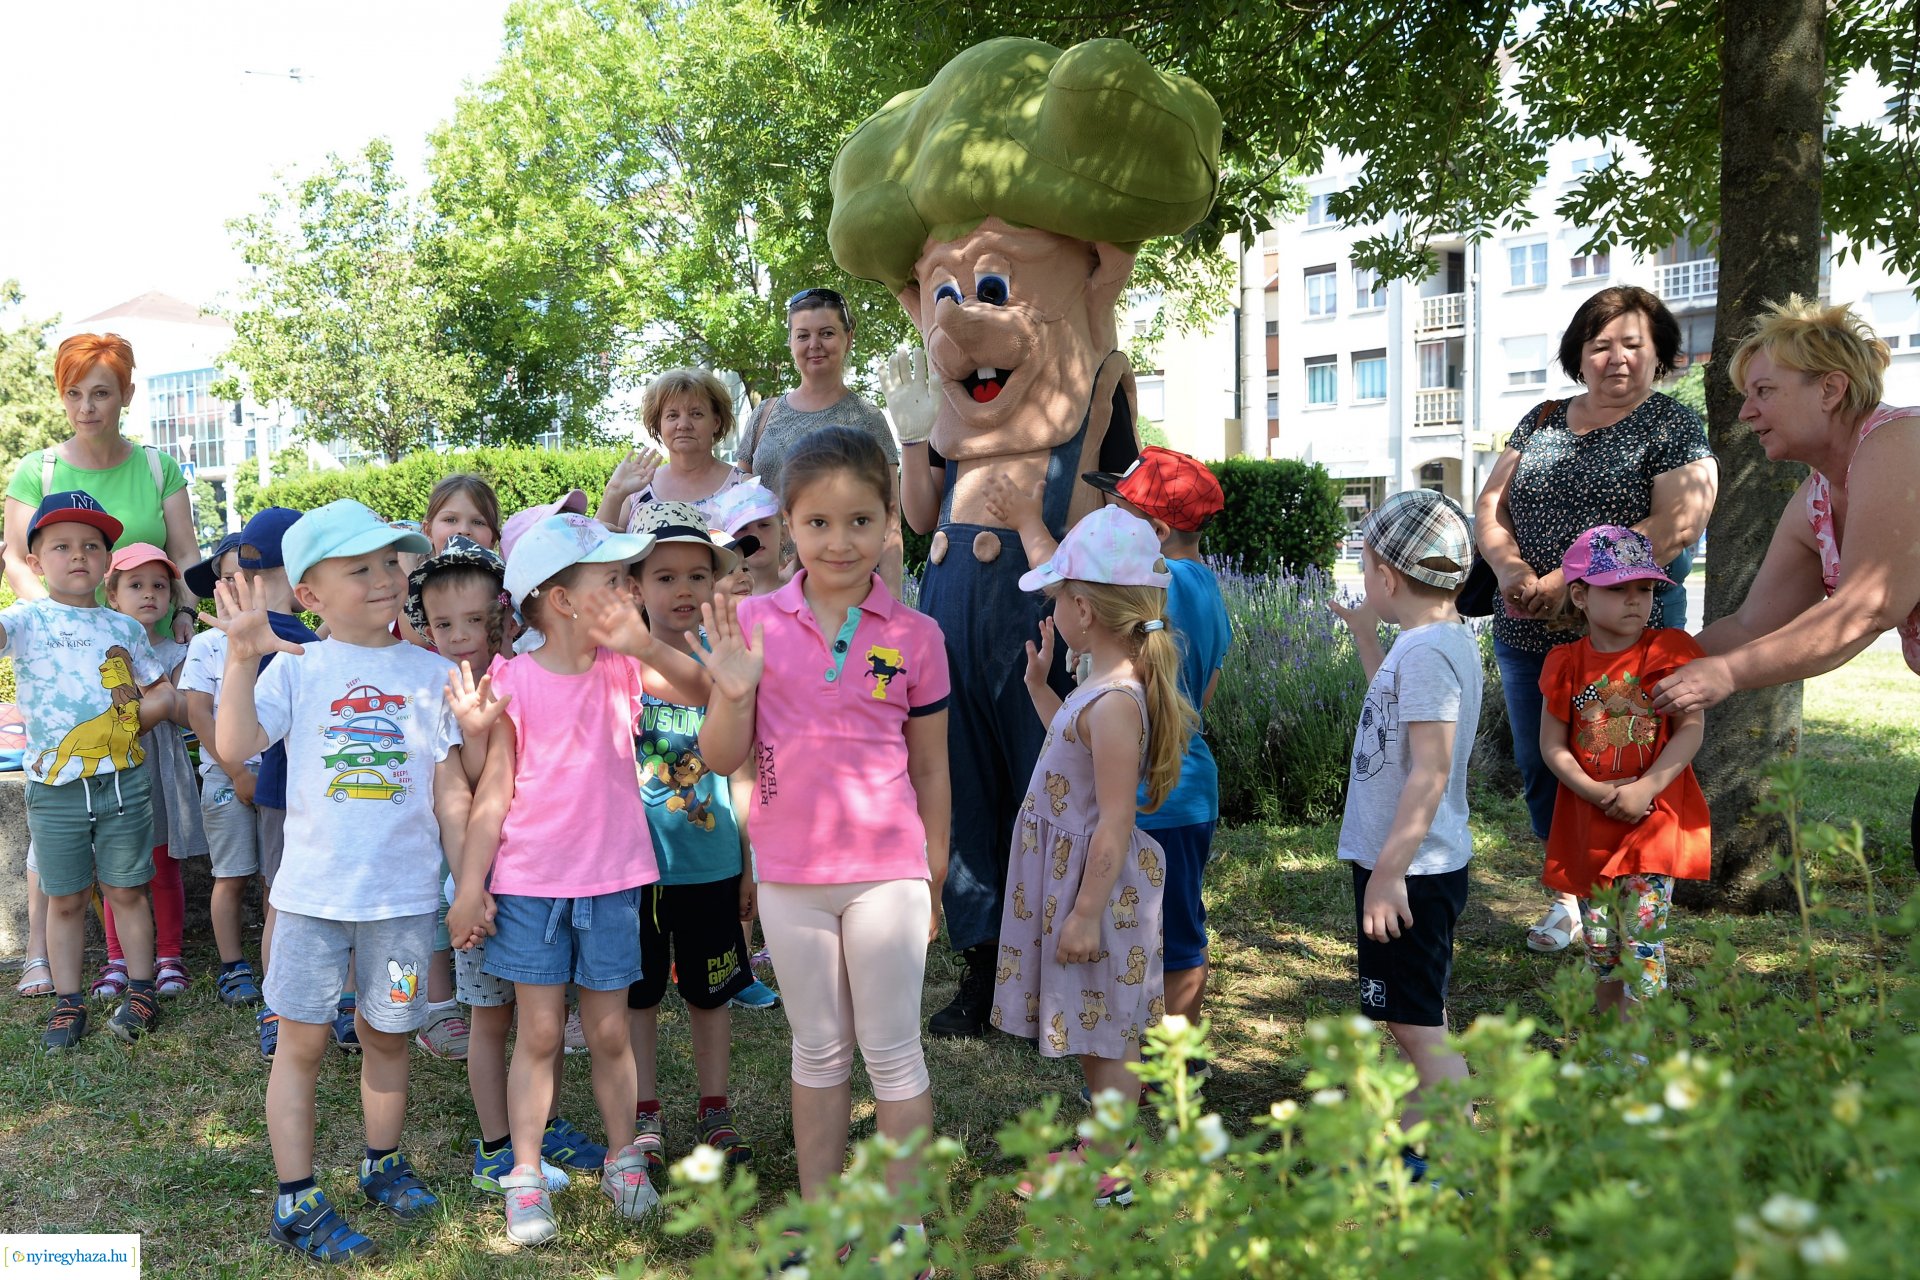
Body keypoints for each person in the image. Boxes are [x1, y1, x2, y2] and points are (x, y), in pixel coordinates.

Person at [699, 426, 949, 1261]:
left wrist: (934, 875)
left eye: (859, 521)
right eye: (817, 524)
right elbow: (722, 756)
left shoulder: (917, 637)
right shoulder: (754, 623)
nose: (839, 542)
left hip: (888, 875)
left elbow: (932, 772)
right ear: (788, 526)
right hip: (792, 877)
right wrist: (732, 696)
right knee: (817, 1048)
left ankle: (905, 1229)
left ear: (889, 524)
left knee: (891, 1050)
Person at [207, 500, 462, 1263]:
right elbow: (235, 742)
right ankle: (297, 1197)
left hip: (406, 899)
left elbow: (451, 790)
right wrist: (241, 656)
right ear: (310, 592)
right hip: (313, 900)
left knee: (390, 1037)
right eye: (361, 568)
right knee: (303, 1045)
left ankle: (382, 1162)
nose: (386, 578)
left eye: (392, 562)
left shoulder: (434, 673)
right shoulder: (299, 666)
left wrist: (467, 878)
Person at [447, 511, 707, 1246]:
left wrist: (642, 639)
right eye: (613, 582)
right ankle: (524, 1176)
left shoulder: (625, 666)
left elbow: (701, 690)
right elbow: (491, 792)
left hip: (613, 881)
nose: (629, 590)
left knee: (609, 1031)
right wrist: (471, 885)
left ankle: (626, 1160)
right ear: (561, 600)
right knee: (536, 1033)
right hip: (531, 886)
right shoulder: (512, 682)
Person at [1473, 286, 1718, 953]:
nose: (1616, 358)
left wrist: (1565, 581)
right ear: (1578, 353)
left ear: (1660, 354)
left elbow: (1679, 521)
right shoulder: (1543, 416)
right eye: (1601, 344)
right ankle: (1569, 899)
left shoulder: (1671, 425)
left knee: (1621, 758)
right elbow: (1490, 505)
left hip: (1629, 639)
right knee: (1542, 763)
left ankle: (1632, 897)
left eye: (1633, 344)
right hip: (1528, 627)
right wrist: (1514, 574)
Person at [1649, 298, 1920, 874]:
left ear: (1830, 389)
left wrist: (1722, 675)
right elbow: (1751, 625)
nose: (1746, 412)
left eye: (1764, 391)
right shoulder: (1816, 497)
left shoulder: (1900, 444)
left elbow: (1867, 609)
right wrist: (1636, 673)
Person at [987, 507, 1197, 1208]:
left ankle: (1115, 1164)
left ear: (1082, 608)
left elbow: (1111, 822)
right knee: (1089, 1016)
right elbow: (1070, 759)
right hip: (1078, 886)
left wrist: (1083, 914)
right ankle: (1107, 1144)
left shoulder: (1115, 702)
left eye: (1056, 598)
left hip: (1096, 891)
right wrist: (1041, 689)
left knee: (1107, 1028)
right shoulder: (1098, 692)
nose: (1052, 609)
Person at [989, 448, 1231, 1038]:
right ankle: (1158, 1057)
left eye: (1118, 513)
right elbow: (1203, 693)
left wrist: (1027, 524)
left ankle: (1171, 1065)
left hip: (1151, 805)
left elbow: (1080, 586)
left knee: (1170, 940)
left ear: (1154, 534)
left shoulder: (1155, 588)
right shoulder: (1208, 593)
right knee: (1173, 932)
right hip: (1181, 785)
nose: (1105, 516)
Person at [4, 333, 199, 998]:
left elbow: (185, 556)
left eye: (101, 392)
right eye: (73, 392)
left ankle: (148, 959)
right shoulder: (39, 471)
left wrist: (183, 617)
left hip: (135, 646)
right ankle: (47, 962)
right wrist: (65, 626)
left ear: (126, 396)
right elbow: (18, 560)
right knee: (58, 822)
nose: (86, 405)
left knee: (135, 824)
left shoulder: (154, 468)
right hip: (61, 654)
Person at [402, 534, 581, 1199]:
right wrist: (468, 892)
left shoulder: (523, 678)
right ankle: (495, 1146)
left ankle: (546, 1123)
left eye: (474, 622)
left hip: (540, 879)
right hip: (477, 889)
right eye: (443, 624)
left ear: (504, 617)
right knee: (490, 1020)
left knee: (546, 1014)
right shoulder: (434, 694)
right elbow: (458, 802)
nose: (459, 637)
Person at [1327, 489, 1482, 1184]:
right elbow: (1396, 724)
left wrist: (1388, 873)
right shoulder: (1435, 643)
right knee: (1417, 1011)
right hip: (1414, 864)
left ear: (1385, 575)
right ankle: (1423, 1145)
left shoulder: (1425, 655)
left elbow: (1429, 770)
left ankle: (1458, 1148)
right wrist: (1366, 638)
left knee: (1413, 1025)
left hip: (1409, 872)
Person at [0, 491, 175, 1049]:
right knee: (67, 896)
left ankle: (142, 988)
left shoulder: (121, 627)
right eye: (61, 546)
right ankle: (68, 1000)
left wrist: (136, 720)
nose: (78, 555)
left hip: (123, 783)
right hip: (54, 790)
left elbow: (160, 691)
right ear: (34, 563)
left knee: (126, 889)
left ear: (105, 562)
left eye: (92, 546)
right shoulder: (24, 621)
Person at [621, 502, 757, 1180]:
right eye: (664, 576)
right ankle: (645, 1111)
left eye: (697, 576)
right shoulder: (616, 665)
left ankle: (714, 1108)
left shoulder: (724, 660)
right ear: (635, 587)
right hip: (634, 869)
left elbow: (745, 765)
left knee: (711, 992)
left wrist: (749, 862)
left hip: (711, 861)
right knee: (639, 994)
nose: (682, 591)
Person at [1540, 526, 1710, 1017]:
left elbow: (1689, 730)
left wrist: (1646, 788)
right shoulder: (1566, 662)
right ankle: (1610, 1034)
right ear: (1581, 595)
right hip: (1590, 822)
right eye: (1617, 589)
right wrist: (1593, 791)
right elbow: (1551, 745)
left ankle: (1641, 1045)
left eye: (1645, 589)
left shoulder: (1667, 650)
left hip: (1652, 819)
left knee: (1642, 941)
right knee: (1601, 943)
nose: (1635, 601)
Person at [227, 507, 327, 1058]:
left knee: (281, 904)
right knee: (290, 907)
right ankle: (290, 1006)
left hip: (280, 794)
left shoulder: (250, 635)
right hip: (302, 795)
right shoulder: (294, 639)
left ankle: (282, 1006)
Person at [738, 288, 904, 592]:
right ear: (790, 342)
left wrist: (892, 603)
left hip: (842, 586)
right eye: (802, 335)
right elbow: (739, 510)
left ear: (848, 338)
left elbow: (891, 519)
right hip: (766, 590)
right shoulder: (764, 414)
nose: (814, 345)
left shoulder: (868, 418)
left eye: (826, 333)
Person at [97, 544, 206, 1001]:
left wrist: (157, 692)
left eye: (159, 586)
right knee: (115, 872)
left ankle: (168, 956)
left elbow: (186, 713)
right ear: (113, 595)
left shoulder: (176, 652)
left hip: (160, 770)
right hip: (114, 772)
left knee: (163, 867)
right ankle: (117, 958)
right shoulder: (100, 650)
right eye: (135, 585)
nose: (149, 595)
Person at [178, 532, 267, 1007]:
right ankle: (233, 965)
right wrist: (236, 773)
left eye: (252, 576)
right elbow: (198, 714)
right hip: (225, 778)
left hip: (276, 776)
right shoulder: (208, 645)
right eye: (230, 578)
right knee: (231, 875)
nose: (241, 586)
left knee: (278, 879)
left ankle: (279, 963)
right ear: (216, 587)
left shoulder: (283, 634)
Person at [597, 369, 748, 530]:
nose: (683, 425)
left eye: (696, 414)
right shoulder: (635, 491)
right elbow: (591, 548)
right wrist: (614, 492)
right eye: (672, 415)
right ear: (658, 425)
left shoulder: (744, 487)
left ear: (716, 423)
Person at [708, 477, 785, 600]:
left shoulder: (804, 588)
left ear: (784, 533)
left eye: (764, 525)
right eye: (742, 528)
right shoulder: (719, 602)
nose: (754, 535)